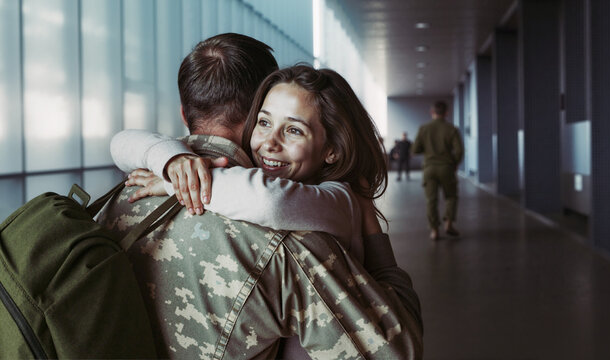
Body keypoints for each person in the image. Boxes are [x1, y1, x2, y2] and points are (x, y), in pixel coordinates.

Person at [99, 34, 422, 359]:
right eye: (265, 122)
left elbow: (270, 198)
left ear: (184, 114)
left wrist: (170, 173)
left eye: (293, 128)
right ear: (256, 111)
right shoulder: (291, 244)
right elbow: (395, 351)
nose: (270, 142)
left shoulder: (124, 195)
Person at [412, 101, 464, 240]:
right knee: (451, 196)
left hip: (429, 168)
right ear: (446, 113)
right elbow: (459, 151)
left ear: (432, 112)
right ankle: (448, 223)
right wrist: (454, 163)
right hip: (446, 167)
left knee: (431, 200)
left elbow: (415, 149)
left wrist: (428, 148)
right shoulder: (452, 129)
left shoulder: (424, 128)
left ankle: (434, 230)